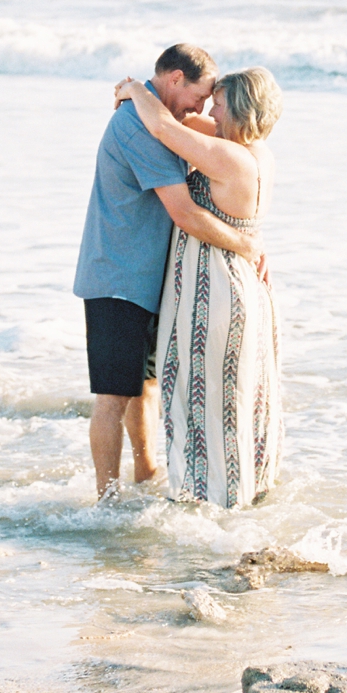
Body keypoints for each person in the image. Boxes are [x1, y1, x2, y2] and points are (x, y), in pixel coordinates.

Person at [75, 44, 263, 498]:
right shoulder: (139, 127)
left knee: (145, 389)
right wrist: (246, 246)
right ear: (175, 79)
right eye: (198, 98)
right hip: (116, 279)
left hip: (146, 280)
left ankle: (145, 478)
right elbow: (183, 212)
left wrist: (134, 88)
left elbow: (225, 136)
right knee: (112, 400)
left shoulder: (166, 118)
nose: (201, 111)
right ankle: (107, 502)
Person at [112, 65, 283, 508]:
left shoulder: (228, 157)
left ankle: (210, 515)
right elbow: (182, 122)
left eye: (220, 102)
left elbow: (165, 126)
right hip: (246, 290)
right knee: (235, 404)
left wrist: (134, 87)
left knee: (206, 403)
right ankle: (239, 504)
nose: (211, 109)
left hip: (215, 291)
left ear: (239, 109)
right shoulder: (255, 150)